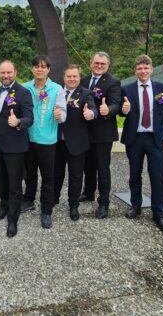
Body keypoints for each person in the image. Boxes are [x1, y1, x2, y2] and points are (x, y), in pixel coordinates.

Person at [120, 54, 163, 233]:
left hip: (156, 139)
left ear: (152, 69)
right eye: (139, 68)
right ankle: (135, 205)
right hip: (135, 138)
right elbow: (121, 112)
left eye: (146, 68)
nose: (142, 71)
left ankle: (158, 212)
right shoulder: (126, 89)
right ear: (135, 70)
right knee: (134, 174)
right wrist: (124, 110)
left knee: (158, 175)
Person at [0, 60, 34, 237]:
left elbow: (30, 118)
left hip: (15, 146)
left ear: (15, 72)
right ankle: (4, 206)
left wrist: (18, 121)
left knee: (15, 184)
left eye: (9, 72)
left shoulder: (23, 93)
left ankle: (13, 219)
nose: (5, 75)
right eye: (2, 72)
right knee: (2, 179)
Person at [21, 55, 67, 229]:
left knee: (48, 176)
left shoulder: (57, 89)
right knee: (29, 173)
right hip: (27, 139)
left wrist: (59, 115)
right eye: (36, 66)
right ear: (32, 68)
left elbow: (63, 115)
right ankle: (29, 200)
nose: (39, 69)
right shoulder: (24, 88)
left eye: (43, 66)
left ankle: (47, 210)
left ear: (48, 69)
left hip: (47, 140)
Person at [80, 52, 122, 219]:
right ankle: (88, 192)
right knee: (87, 165)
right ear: (91, 63)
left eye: (102, 64)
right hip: (85, 131)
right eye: (96, 63)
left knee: (102, 169)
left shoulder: (113, 82)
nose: (99, 66)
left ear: (107, 66)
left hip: (103, 133)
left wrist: (108, 109)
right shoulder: (83, 81)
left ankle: (103, 202)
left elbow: (116, 104)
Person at [53, 64, 96, 221]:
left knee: (76, 176)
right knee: (56, 173)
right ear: (64, 78)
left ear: (79, 77)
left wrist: (91, 113)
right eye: (69, 76)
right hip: (56, 141)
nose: (72, 79)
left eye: (75, 76)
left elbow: (93, 109)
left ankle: (73, 205)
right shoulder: (56, 92)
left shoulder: (86, 93)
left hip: (77, 143)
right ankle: (53, 198)